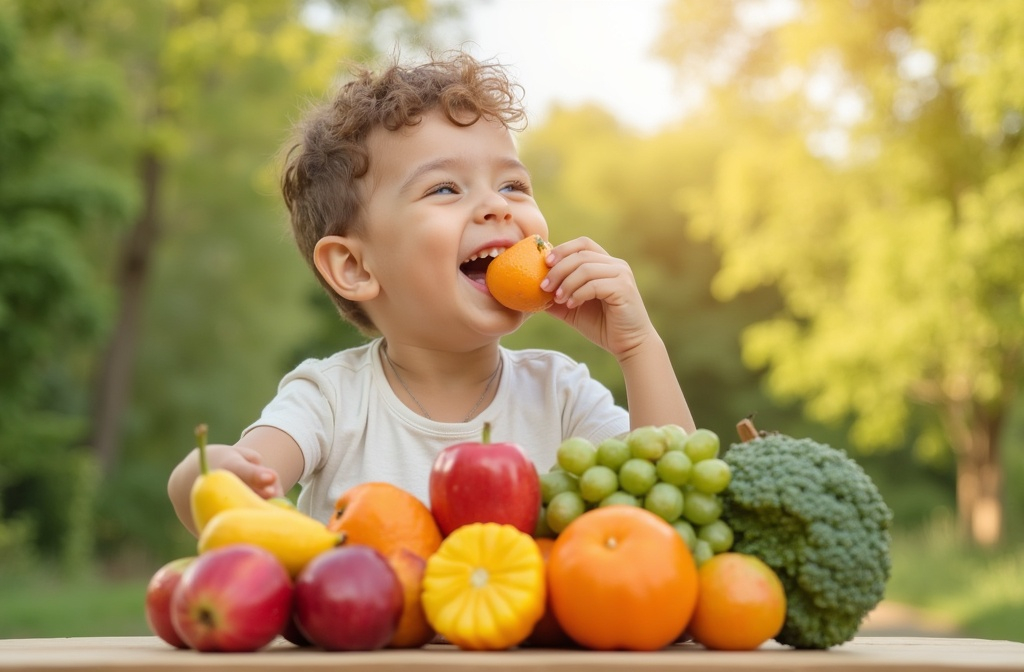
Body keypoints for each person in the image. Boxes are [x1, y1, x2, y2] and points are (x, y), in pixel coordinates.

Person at [168, 51, 694, 535]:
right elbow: (232, 487)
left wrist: (637, 347)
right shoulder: (329, 400)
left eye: (513, 185)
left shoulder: (560, 393)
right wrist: (203, 475)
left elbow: (674, 506)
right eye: (444, 188)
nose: (498, 207)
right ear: (353, 266)